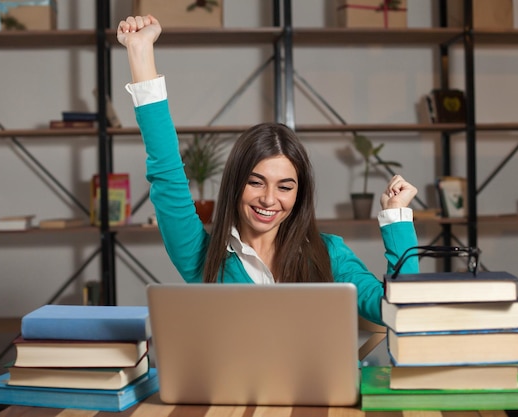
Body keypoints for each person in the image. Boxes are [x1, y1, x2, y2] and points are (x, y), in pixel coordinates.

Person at [117, 15, 419, 325]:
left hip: (319, 376)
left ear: (298, 194)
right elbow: (166, 173)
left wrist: (396, 217)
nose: (269, 199)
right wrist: (140, 52)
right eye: (256, 182)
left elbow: (400, 311)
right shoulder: (201, 256)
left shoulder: (328, 254)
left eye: (285, 187)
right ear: (236, 184)